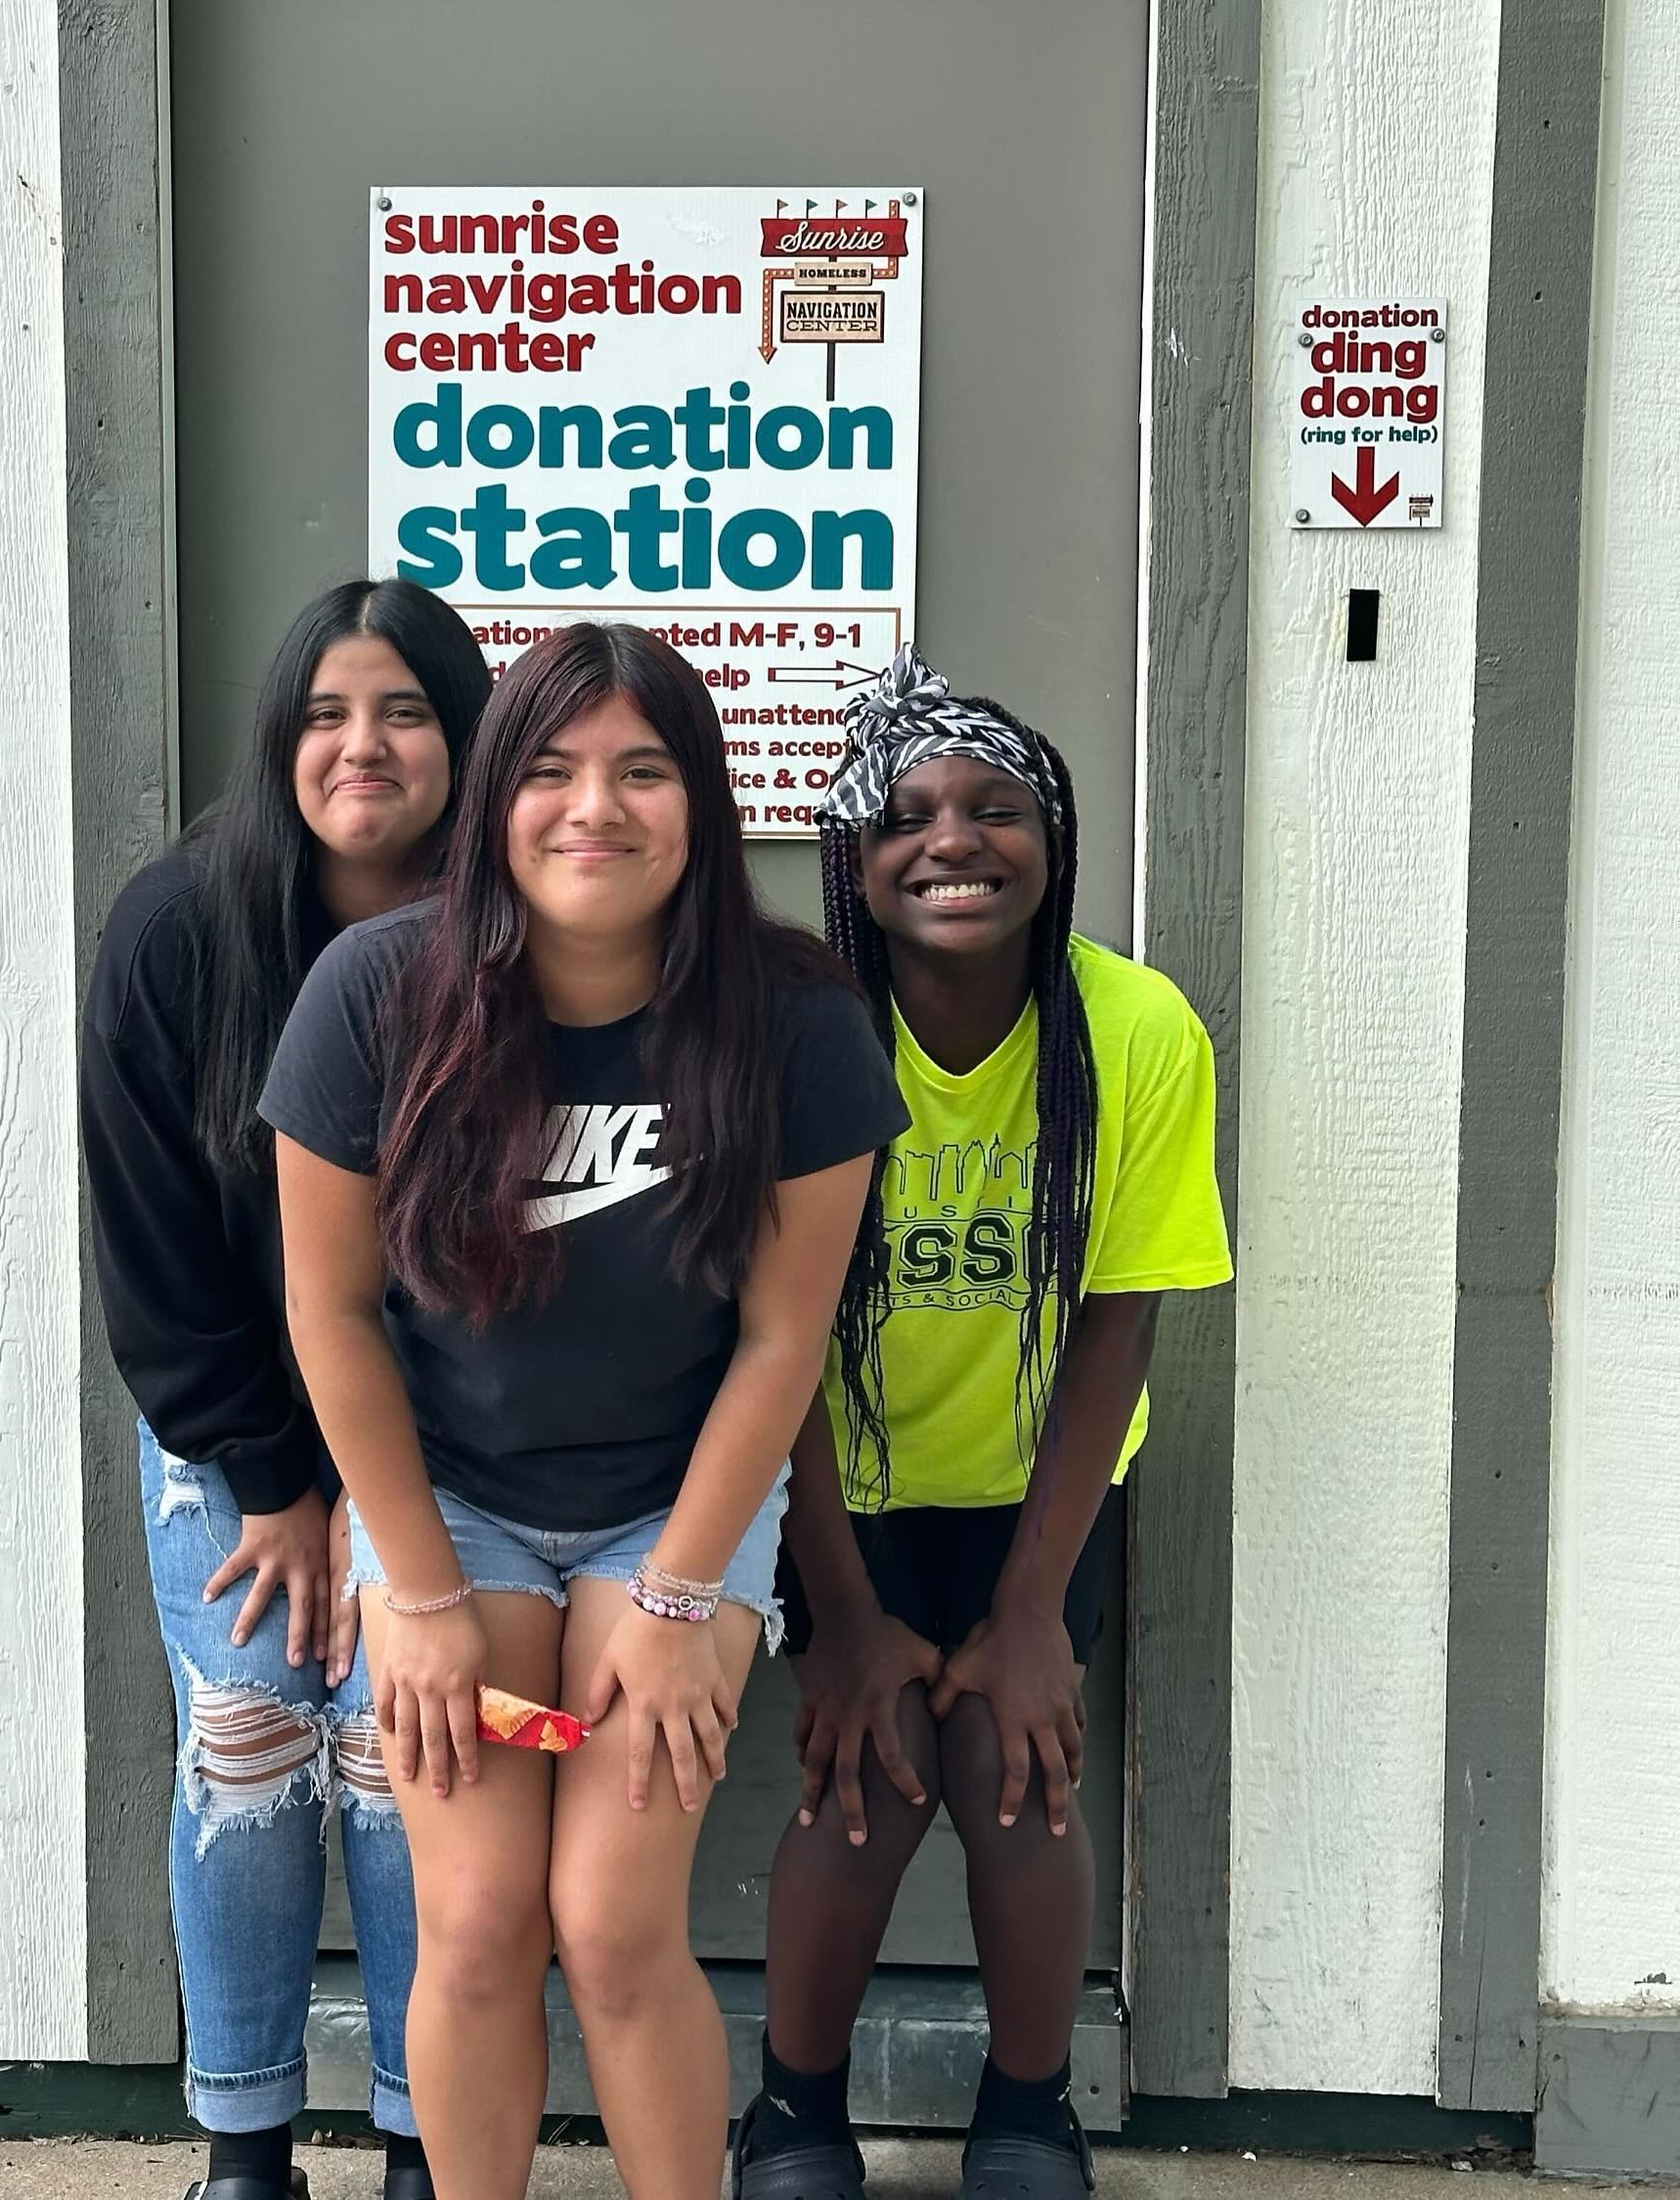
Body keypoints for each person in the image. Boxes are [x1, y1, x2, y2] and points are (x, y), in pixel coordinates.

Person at [259, 623, 907, 2200]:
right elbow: (327, 1308)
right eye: (545, 768)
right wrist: (410, 1588)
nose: (590, 808)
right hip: (455, 1506)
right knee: (477, 1917)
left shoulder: (800, 1021)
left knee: (616, 1922)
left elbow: (780, 1337)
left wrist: (684, 1595)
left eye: (640, 769)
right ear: (491, 800)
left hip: (667, 1509)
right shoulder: (374, 994)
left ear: (701, 797)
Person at [732, 649, 1233, 2200]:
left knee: (1014, 1765)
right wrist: (844, 1616)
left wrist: (1029, 1610)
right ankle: (794, 2114)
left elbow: (1120, 1315)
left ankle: (1029, 2109)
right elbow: (775, 1339)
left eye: (993, 806)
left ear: (1051, 835)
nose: (953, 838)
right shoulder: (798, 1034)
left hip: (1040, 1485)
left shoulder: (1134, 1029)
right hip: (842, 1482)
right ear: (852, 867)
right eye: (907, 817)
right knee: (863, 1768)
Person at [80, 578, 491, 2200]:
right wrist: (275, 1477)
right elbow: (154, 1247)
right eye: (325, 712)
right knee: (245, 1757)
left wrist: (376, 1493)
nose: (362, 745)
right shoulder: (179, 928)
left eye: (401, 709)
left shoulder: (512, 938)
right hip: (227, 1436)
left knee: (415, 1773)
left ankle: (419, 2139)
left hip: (456, 1444)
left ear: (466, 738)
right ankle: (243, 2148)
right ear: (279, 737)